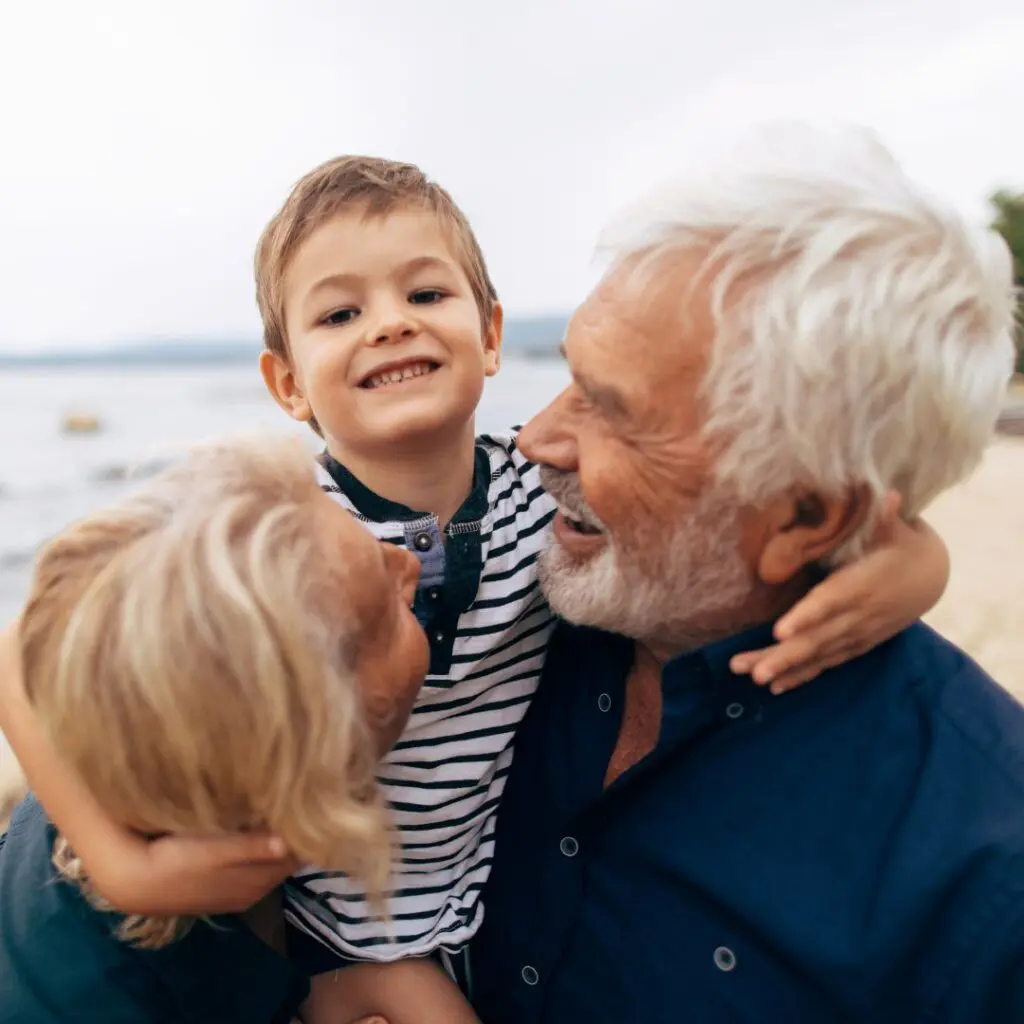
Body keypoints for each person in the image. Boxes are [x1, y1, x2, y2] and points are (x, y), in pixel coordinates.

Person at [0, 154, 951, 1023]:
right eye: (340, 314)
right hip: (304, 920)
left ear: (491, 335)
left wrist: (916, 566)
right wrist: (115, 856)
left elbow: (770, 513)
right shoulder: (274, 523)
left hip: (484, 909)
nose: (390, 321)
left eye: (424, 290)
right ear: (288, 385)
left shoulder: (546, 495)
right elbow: (30, 643)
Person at [467, 126, 1024, 1022]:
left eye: (611, 412)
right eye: (571, 376)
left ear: (809, 517)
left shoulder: (981, 887)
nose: (535, 439)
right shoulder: (495, 593)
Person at [0, 435, 431, 1023]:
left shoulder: (129, 723)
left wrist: (121, 868)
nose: (408, 564)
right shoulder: (103, 997)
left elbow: (20, 641)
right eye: (388, 606)